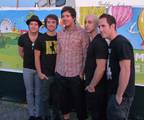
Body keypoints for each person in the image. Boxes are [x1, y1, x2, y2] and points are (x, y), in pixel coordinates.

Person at [55, 6, 89, 120]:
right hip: (61, 73)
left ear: (73, 17)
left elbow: (86, 55)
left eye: (67, 16)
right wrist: (56, 70)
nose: (65, 18)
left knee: (79, 101)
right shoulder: (60, 34)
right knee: (63, 100)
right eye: (63, 16)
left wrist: (82, 73)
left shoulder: (82, 33)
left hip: (76, 74)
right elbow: (59, 52)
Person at [99, 13, 135, 120]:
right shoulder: (113, 43)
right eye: (99, 26)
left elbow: (125, 70)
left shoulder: (121, 43)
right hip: (113, 93)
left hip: (121, 96)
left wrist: (119, 95)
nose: (100, 29)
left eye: (103, 26)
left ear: (113, 26)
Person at [34, 14, 61, 120]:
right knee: (44, 98)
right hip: (45, 75)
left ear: (57, 24)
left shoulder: (60, 37)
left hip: (58, 74)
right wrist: (40, 73)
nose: (51, 24)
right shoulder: (40, 38)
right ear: (45, 24)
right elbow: (36, 57)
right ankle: (46, 116)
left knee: (57, 98)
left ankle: (56, 116)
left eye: (53, 22)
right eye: (49, 22)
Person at [18, 15, 43, 120]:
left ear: (38, 26)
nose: (33, 26)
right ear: (28, 25)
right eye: (31, 24)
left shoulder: (42, 37)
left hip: (40, 69)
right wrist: (29, 61)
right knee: (29, 92)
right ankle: (32, 114)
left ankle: (38, 114)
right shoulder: (22, 38)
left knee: (38, 92)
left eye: (35, 24)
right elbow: (21, 53)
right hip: (27, 69)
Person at [84, 15, 108, 120]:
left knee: (97, 114)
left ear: (96, 25)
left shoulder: (99, 43)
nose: (86, 25)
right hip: (92, 86)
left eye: (90, 22)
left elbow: (101, 67)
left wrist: (91, 86)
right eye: (85, 22)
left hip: (97, 88)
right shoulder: (92, 41)